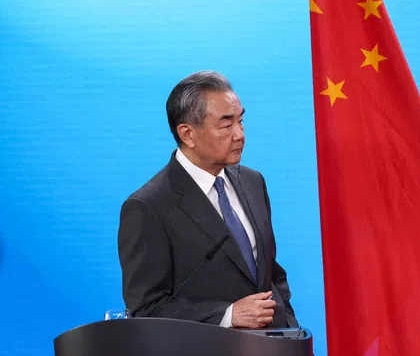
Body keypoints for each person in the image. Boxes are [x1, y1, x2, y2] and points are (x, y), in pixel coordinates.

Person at [117, 71, 297, 328]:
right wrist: (227, 316)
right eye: (226, 125)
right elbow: (146, 308)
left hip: (272, 352)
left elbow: (271, 273)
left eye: (241, 121)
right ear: (187, 134)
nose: (239, 135)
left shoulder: (253, 182)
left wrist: (289, 323)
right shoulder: (148, 207)